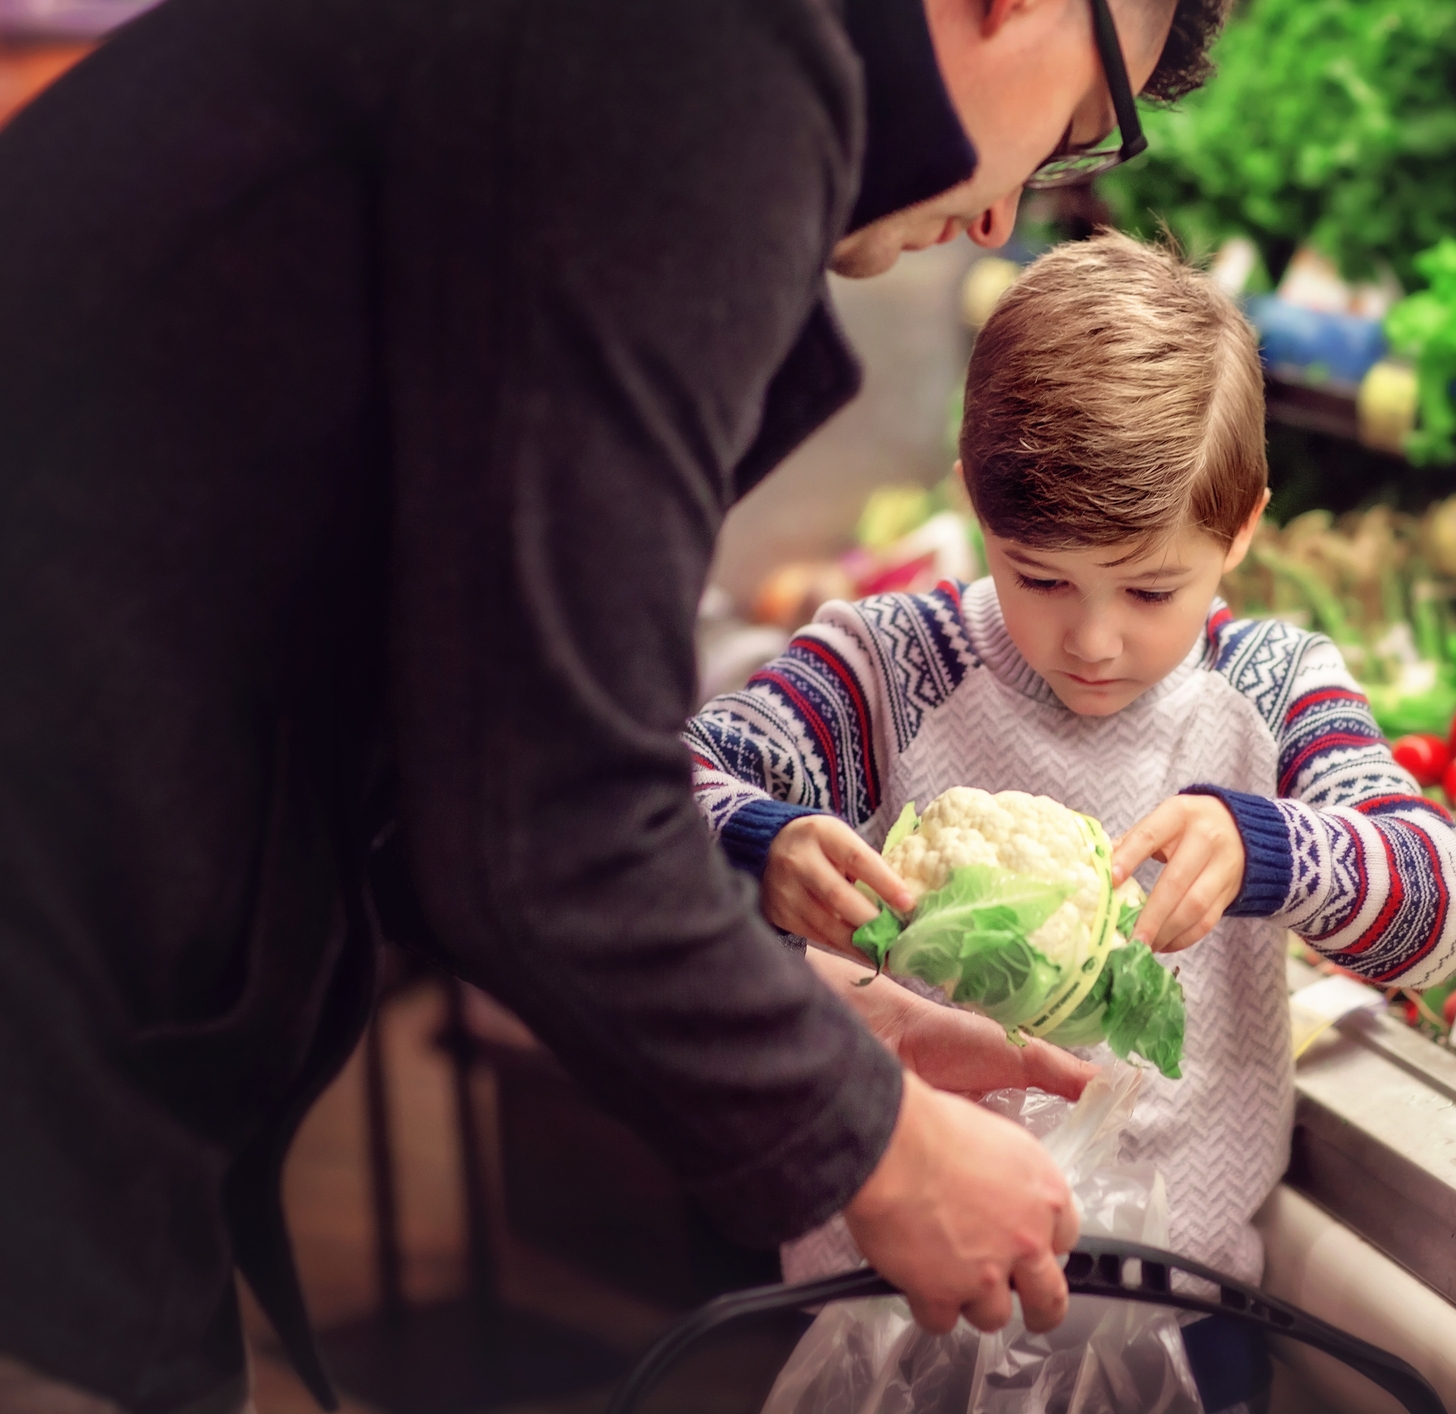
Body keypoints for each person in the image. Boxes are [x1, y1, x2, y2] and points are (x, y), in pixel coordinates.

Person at [0, 0, 1232, 1409]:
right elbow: (548, 812)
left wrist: (810, 1009)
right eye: (1079, 134)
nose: (1001, 212)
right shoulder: (709, 48)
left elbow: (457, 732)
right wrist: (875, 1140)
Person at [685, 232, 1456, 1414]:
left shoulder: (1271, 688)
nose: (1094, 640)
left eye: (1152, 589)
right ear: (975, 508)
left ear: (1243, 530)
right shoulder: (887, 667)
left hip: (1182, 1321)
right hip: (890, 1313)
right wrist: (761, 844)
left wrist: (1272, 845)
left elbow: (1447, 907)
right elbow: (657, 796)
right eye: (1041, 578)